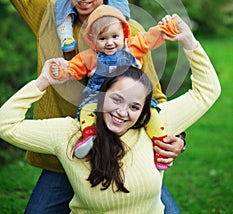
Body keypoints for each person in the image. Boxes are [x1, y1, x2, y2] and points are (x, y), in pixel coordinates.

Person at [0, 0, 184, 214]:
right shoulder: (50, 19)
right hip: (69, 150)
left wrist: (177, 137)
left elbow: (153, 95)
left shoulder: (129, 32)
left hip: (124, 150)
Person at [0, 14, 221, 214]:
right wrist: (42, 82)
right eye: (116, 99)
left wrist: (189, 41)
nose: (123, 113)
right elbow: (5, 125)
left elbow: (207, 91)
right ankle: (91, 135)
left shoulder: (152, 119)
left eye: (135, 106)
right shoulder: (67, 135)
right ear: (102, 95)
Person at [50, 4, 179, 170]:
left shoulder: (131, 47)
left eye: (114, 37)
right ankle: (90, 136)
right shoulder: (90, 56)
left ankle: (160, 144)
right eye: (102, 39)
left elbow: (151, 37)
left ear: (124, 34)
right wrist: (61, 71)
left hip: (132, 97)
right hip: (100, 97)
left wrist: (167, 27)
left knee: (152, 113)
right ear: (93, 40)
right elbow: (73, 68)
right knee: (87, 109)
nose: (109, 43)